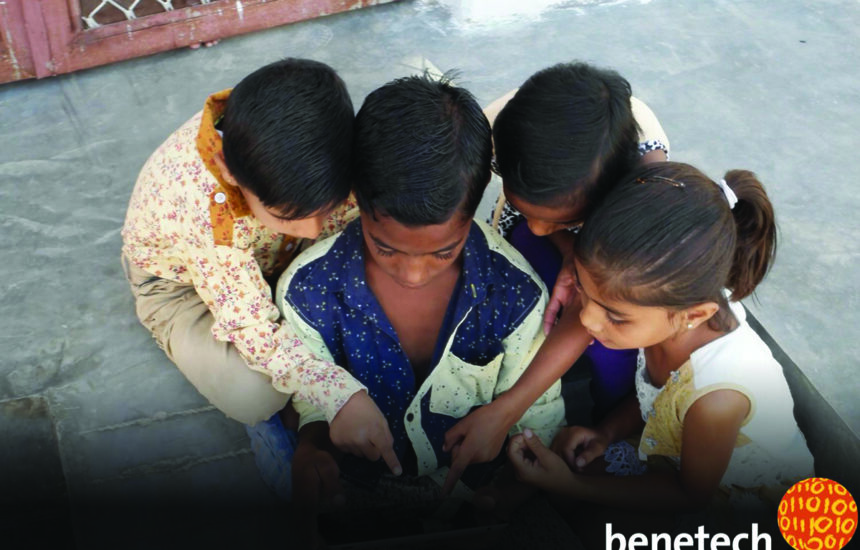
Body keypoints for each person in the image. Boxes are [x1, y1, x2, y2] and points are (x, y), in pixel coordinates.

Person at [276, 73, 565, 546]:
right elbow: (310, 395)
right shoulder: (308, 291)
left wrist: (509, 492)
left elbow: (539, 417)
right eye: (386, 248)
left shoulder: (515, 293)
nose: (413, 274)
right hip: (357, 487)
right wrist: (312, 447)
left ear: (472, 212)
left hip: (474, 488)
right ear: (357, 200)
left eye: (443, 252)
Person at [120, 59, 399, 494]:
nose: (312, 230)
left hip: (275, 261)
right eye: (287, 216)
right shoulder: (201, 204)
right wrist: (339, 396)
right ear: (230, 174)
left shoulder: (326, 151)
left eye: (325, 210)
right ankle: (281, 425)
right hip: (184, 287)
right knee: (255, 393)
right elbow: (252, 328)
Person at [506, 162, 814, 546]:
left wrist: (572, 486)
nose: (587, 320)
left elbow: (691, 494)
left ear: (693, 315)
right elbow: (662, 399)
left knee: (597, 524)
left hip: (739, 502)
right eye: (583, 290)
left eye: (614, 316)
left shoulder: (718, 396)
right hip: (676, 458)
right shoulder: (670, 313)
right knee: (570, 468)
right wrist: (605, 432)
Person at [442, 61, 671, 493]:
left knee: (613, 352)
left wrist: (507, 411)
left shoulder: (644, 193)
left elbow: (589, 312)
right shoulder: (501, 126)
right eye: (529, 210)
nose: (541, 227)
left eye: (559, 219)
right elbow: (536, 221)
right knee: (518, 291)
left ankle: (607, 429)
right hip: (552, 230)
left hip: (609, 242)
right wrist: (565, 246)